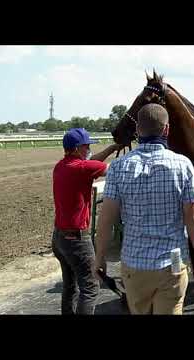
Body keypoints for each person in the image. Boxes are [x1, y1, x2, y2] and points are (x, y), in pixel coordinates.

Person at [93, 103, 194, 315]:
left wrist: (100, 257)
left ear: (138, 130)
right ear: (166, 129)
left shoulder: (119, 167)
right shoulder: (182, 165)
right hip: (172, 265)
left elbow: (105, 220)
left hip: (134, 265)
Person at [52, 128, 124, 315]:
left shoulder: (62, 166)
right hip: (77, 240)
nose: (89, 149)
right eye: (87, 146)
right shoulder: (82, 168)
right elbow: (114, 170)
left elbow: (90, 163)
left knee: (70, 286)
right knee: (91, 287)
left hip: (59, 238)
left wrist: (111, 149)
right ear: (77, 148)